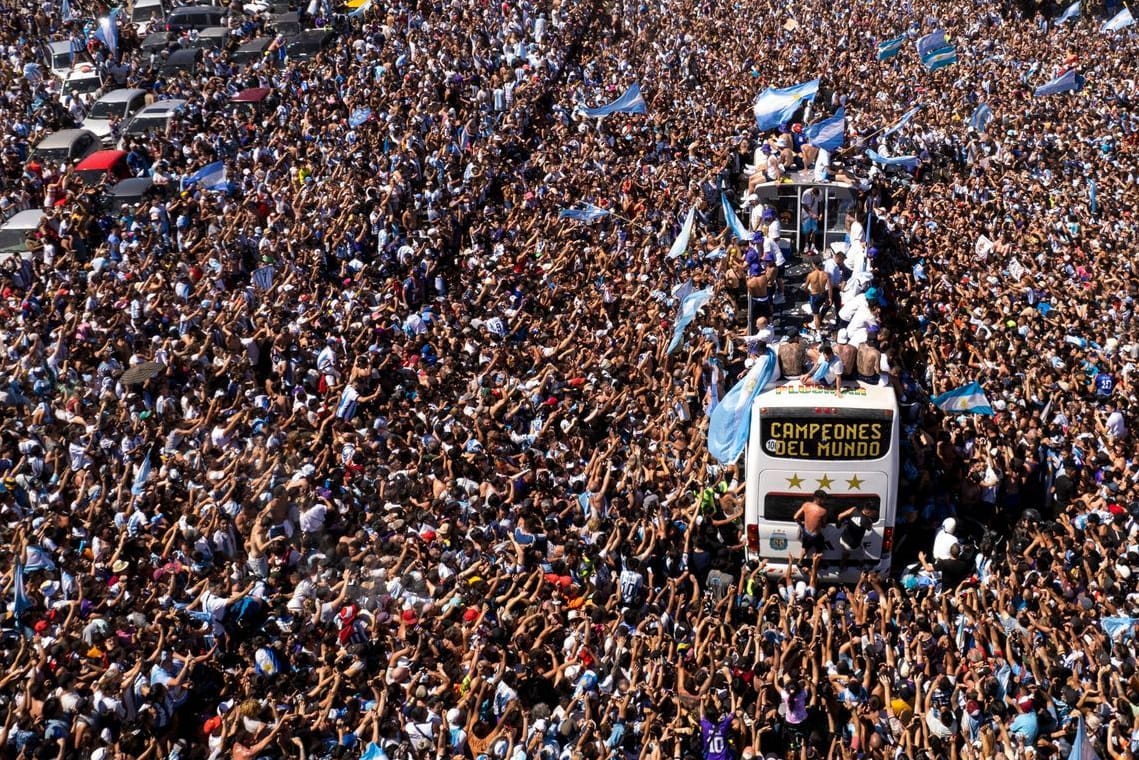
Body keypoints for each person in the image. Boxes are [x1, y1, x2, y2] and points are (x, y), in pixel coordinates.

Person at [793, 490, 830, 556]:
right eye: (823, 499)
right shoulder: (823, 511)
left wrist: (801, 523)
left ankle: (799, 562)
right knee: (819, 550)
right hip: (816, 535)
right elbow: (824, 525)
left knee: (805, 548)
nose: (824, 501)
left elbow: (795, 517)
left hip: (806, 533)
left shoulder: (806, 504)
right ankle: (815, 564)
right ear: (818, 499)